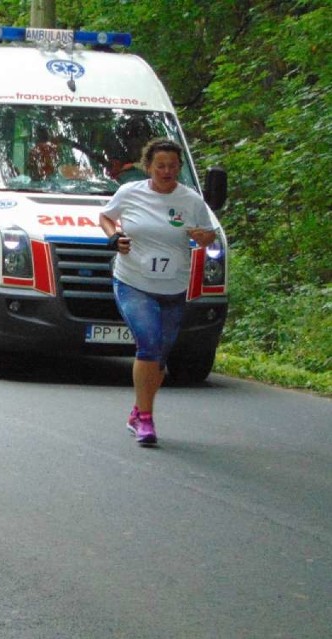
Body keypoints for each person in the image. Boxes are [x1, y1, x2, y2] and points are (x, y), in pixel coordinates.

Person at [98, 138, 216, 446]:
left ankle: (138, 410)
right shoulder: (130, 193)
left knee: (160, 359)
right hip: (133, 280)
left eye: (173, 166)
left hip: (174, 286)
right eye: (160, 166)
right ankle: (146, 422)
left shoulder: (190, 200)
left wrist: (201, 236)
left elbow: (208, 238)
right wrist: (115, 238)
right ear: (148, 166)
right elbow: (106, 217)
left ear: (180, 168)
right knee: (148, 345)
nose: (167, 172)